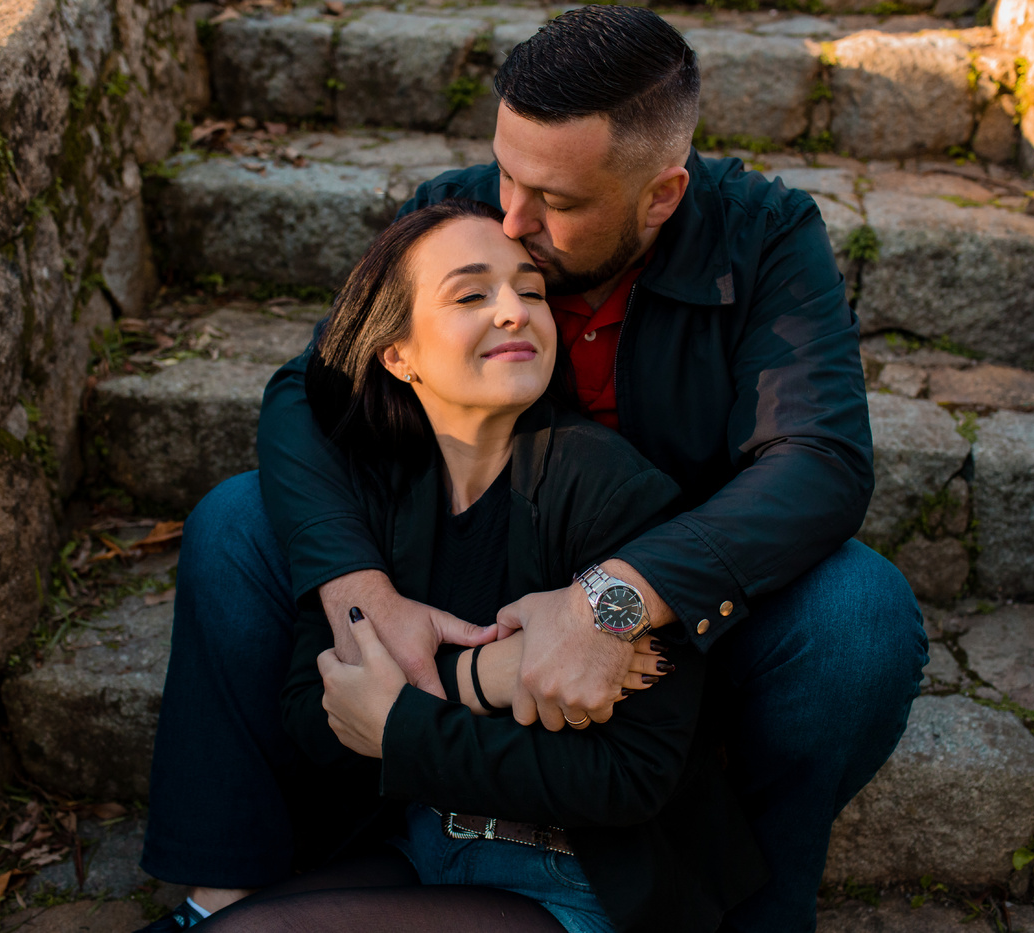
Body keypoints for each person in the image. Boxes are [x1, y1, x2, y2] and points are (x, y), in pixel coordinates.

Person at [140, 7, 927, 932]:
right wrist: (360, 591)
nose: (510, 217)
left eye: (554, 199)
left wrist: (611, 599)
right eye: (506, 171)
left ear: (661, 195)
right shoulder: (466, 208)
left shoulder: (763, 236)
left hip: (676, 608)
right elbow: (313, 387)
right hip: (469, 579)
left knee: (857, 615)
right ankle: (230, 879)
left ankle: (749, 909)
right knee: (238, 521)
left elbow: (819, 461)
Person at [189, 198, 762, 933]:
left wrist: (405, 724)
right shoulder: (372, 490)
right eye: (470, 295)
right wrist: (486, 675)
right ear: (397, 354)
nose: (515, 311)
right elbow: (315, 708)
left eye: (531, 291)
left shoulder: (610, 490)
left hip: (580, 885)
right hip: (427, 849)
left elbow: (632, 775)